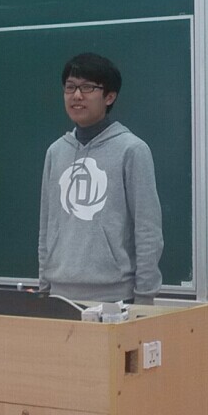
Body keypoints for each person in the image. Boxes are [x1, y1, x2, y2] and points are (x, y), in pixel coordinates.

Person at [38, 52, 164, 305]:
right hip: (58, 294)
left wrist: (144, 297)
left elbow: (148, 230)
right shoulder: (56, 152)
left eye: (87, 87)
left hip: (115, 297)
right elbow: (47, 225)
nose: (76, 95)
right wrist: (44, 286)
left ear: (109, 96)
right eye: (70, 87)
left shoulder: (132, 150)